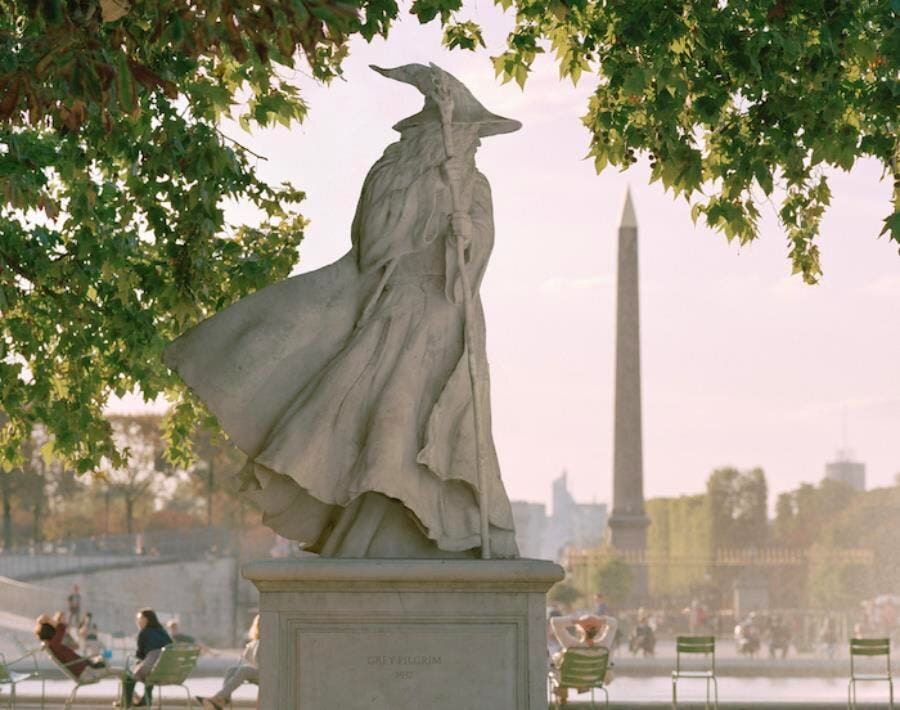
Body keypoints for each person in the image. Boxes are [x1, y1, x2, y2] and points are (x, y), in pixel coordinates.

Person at [164, 63, 523, 559]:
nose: (473, 145)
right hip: (399, 310)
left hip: (449, 319)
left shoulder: (475, 187)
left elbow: (475, 259)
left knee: (446, 428)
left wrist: (468, 236)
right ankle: (377, 526)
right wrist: (427, 207)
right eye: (468, 134)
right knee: (386, 418)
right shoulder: (393, 174)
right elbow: (373, 245)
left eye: (475, 139)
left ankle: (447, 527)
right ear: (434, 134)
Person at [549, 614, 618, 705]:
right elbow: (614, 624)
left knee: (559, 661)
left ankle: (562, 700)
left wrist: (578, 621)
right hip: (593, 680)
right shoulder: (604, 646)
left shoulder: (571, 645)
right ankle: (581, 688)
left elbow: (555, 622)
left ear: (580, 629)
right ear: (598, 630)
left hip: (568, 680)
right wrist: (599, 621)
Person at [197, 615, 260, 710]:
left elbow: (261, 662)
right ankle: (223, 701)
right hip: (260, 672)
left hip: (269, 674)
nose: (260, 626)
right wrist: (249, 651)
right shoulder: (257, 641)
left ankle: (217, 698)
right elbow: (252, 661)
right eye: (259, 624)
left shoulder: (270, 640)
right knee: (232, 669)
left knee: (245, 670)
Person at [35, 612, 113, 682]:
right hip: (87, 672)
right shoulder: (55, 645)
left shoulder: (53, 646)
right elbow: (61, 627)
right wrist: (50, 621)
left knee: (104, 660)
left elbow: (62, 630)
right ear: (52, 633)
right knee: (120, 671)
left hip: (87, 668)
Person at [118, 608, 173, 708]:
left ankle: (126, 705)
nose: (137, 621)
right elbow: (171, 647)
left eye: (139, 618)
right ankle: (145, 700)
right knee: (151, 669)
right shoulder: (163, 632)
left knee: (128, 676)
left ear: (146, 619)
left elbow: (140, 656)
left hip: (152, 668)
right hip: (167, 671)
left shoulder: (144, 633)